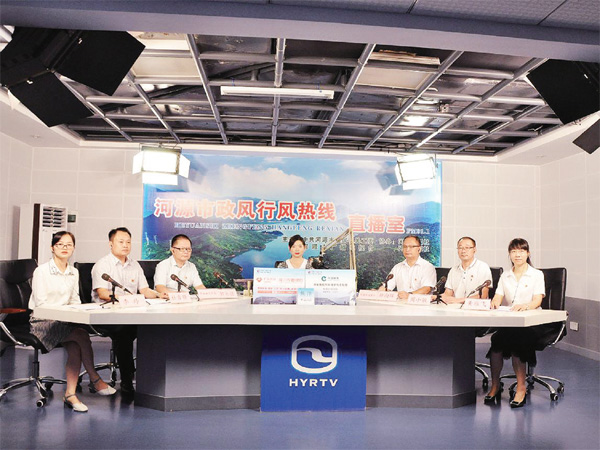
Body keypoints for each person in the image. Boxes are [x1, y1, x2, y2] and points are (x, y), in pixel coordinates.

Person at [29, 231, 116, 413]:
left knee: (76, 345)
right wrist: (65, 312)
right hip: (41, 321)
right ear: (52, 248)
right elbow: (41, 304)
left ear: (73, 248)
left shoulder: (73, 272)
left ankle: (70, 394)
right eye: (60, 244)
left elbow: (74, 300)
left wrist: (78, 311)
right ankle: (94, 379)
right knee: (81, 335)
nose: (65, 248)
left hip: (64, 320)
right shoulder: (42, 271)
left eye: (69, 245)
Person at [91, 227, 167, 395]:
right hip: (107, 316)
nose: (125, 245)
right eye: (121, 242)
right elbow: (103, 294)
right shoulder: (102, 265)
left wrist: (159, 295)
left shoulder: (135, 265)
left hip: (132, 314)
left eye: (128, 242)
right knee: (124, 332)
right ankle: (127, 379)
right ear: (110, 244)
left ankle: (151, 377)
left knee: (152, 328)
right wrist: (124, 298)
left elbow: (144, 290)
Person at [485, 238, 545, 408]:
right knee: (496, 341)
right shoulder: (505, 275)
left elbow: (537, 300)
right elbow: (498, 295)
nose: (517, 255)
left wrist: (525, 306)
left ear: (528, 253)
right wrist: (495, 302)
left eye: (521, 251)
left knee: (518, 341)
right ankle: (495, 385)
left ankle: (521, 387)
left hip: (532, 322)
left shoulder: (536, 274)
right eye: (514, 251)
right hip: (511, 322)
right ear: (509, 254)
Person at [379, 235, 436, 299]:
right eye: (405, 247)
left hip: (420, 303)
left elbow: (427, 289)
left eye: (411, 247)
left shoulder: (427, 267)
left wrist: (409, 295)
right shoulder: (397, 267)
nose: (407, 249)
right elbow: (387, 286)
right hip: (400, 303)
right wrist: (377, 293)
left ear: (419, 249)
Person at [441, 236, 493, 304]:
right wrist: (437, 297)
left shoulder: (483, 267)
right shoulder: (454, 270)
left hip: (476, 308)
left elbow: (483, 295)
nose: (463, 251)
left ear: (474, 249)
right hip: (455, 307)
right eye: (460, 248)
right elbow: (447, 294)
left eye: (467, 247)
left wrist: (458, 300)